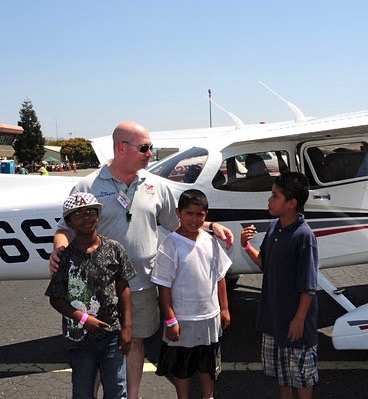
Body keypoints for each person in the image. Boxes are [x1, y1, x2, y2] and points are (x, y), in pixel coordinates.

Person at [49, 121, 234, 399]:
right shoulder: (88, 184)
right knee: (98, 350)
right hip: (100, 290)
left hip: (143, 283)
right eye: (145, 148)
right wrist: (59, 246)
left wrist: (212, 227)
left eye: (151, 148)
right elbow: (65, 228)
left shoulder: (154, 185)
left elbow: (178, 222)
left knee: (135, 344)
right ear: (122, 148)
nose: (151, 154)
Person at [45, 192, 134, 399]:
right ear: (69, 222)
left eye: (90, 212)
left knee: (117, 389)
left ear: (98, 215)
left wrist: (127, 327)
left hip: (112, 333)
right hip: (79, 337)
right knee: (83, 390)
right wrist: (83, 319)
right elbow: (56, 298)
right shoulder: (64, 256)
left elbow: (123, 288)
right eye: (78, 215)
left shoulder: (115, 249)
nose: (86, 218)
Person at [240, 172, 319, 399]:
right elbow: (264, 262)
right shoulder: (275, 227)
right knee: (282, 374)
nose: (269, 200)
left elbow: (308, 285)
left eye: (275, 196)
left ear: (292, 203)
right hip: (273, 319)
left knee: (302, 375)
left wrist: (299, 319)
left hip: (295, 322)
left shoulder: (304, 236)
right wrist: (246, 246)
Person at [151, 189, 232, 399]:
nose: (194, 219)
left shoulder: (210, 240)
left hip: (209, 318)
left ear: (206, 215)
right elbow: (163, 286)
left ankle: (209, 396)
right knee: (182, 366)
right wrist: (170, 320)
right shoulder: (170, 245)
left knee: (208, 364)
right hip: (183, 319)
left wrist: (224, 309)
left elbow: (220, 276)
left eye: (200, 215)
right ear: (178, 212)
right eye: (189, 213)